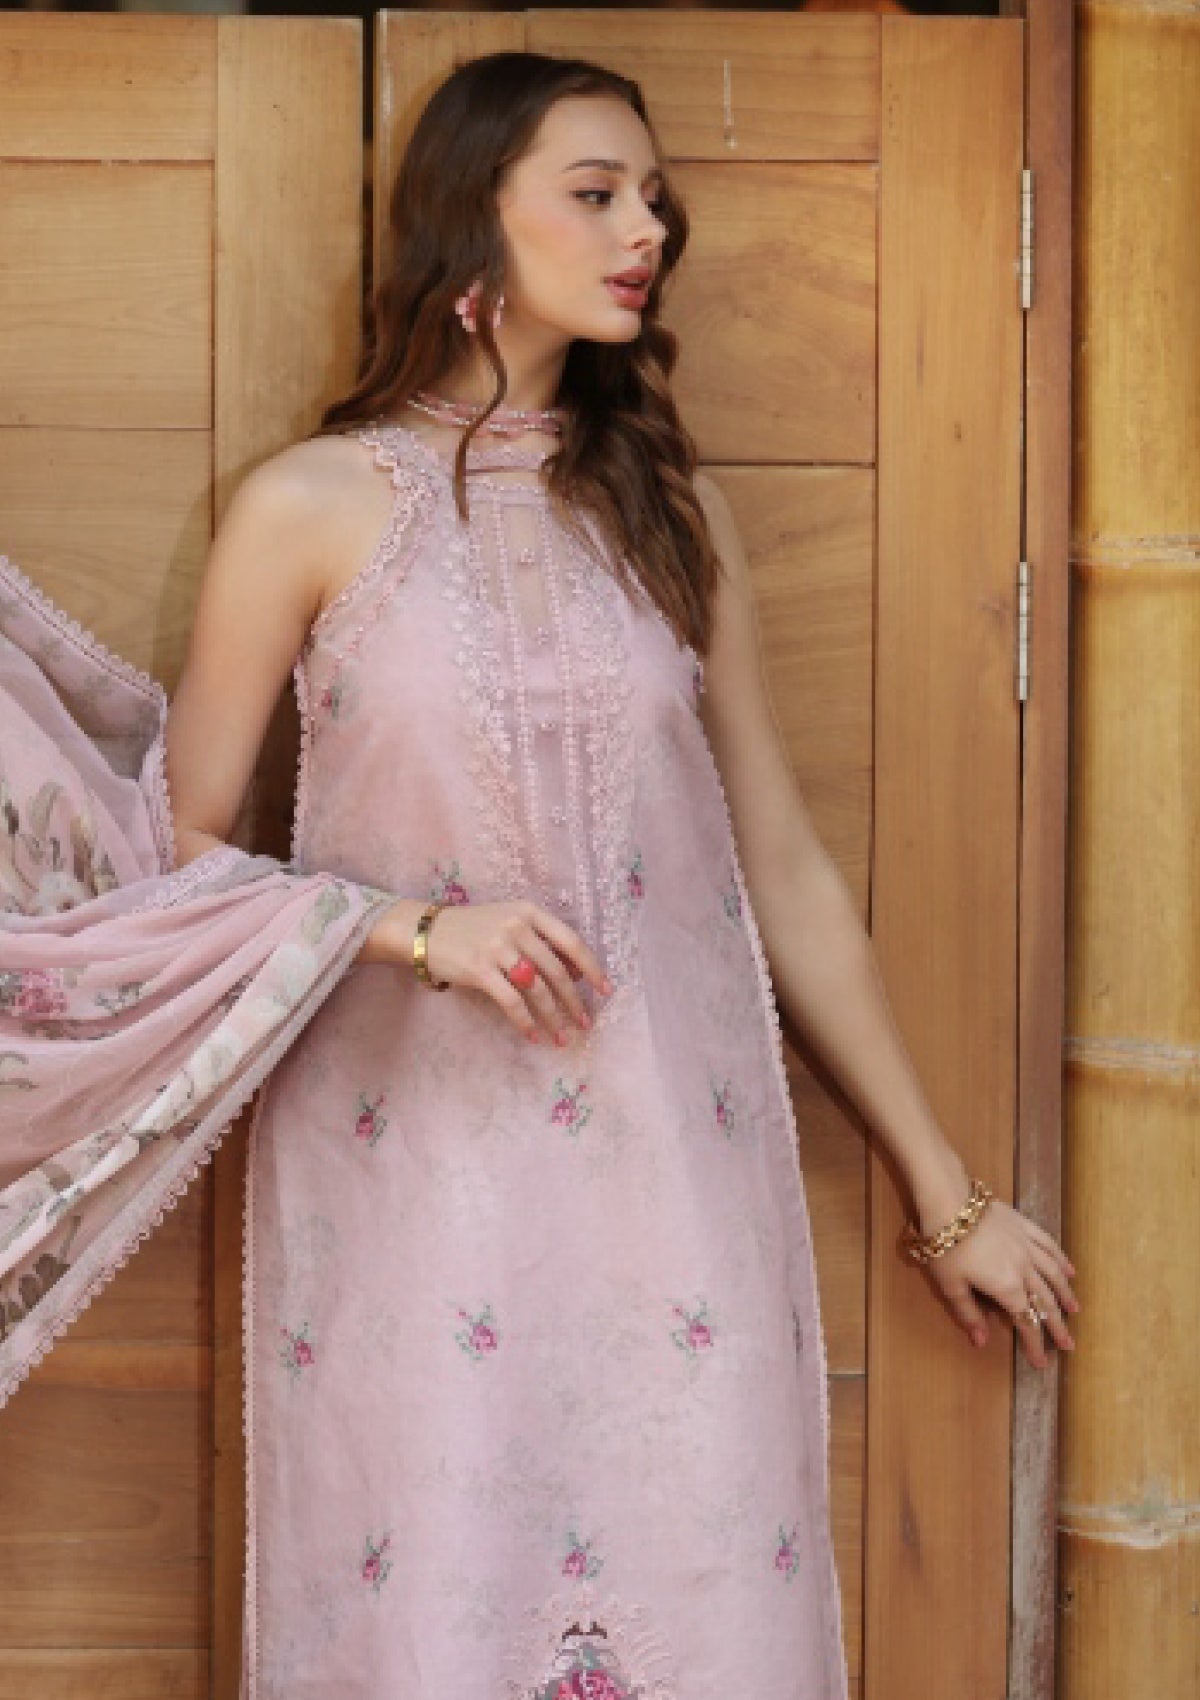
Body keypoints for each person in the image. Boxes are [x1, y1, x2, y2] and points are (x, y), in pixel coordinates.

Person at [0, 49, 1078, 1700]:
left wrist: (950, 1201)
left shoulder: (672, 515)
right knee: (434, 1609)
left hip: (676, 1173)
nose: (645, 229)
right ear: (471, 220)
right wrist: (413, 929)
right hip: (416, 1170)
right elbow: (187, 855)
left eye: (654, 200)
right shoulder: (309, 505)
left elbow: (784, 869)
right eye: (595, 194)